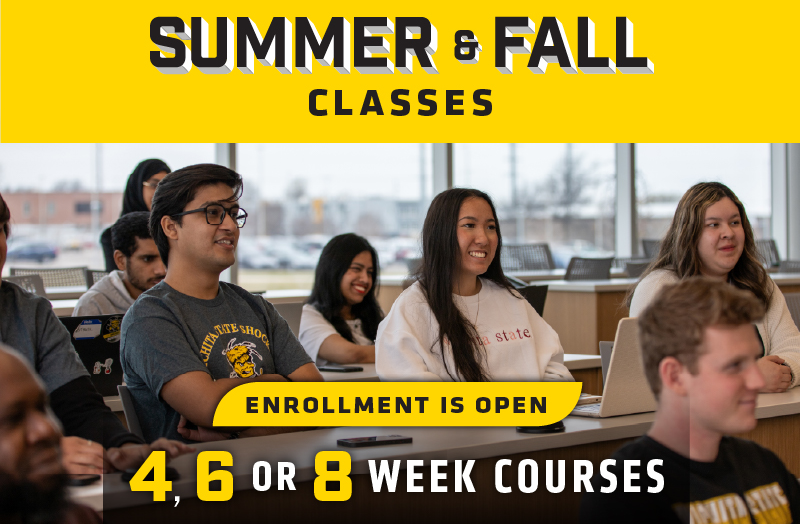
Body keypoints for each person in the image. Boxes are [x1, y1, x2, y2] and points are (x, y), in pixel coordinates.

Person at [120, 164, 323, 443]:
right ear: (171, 227)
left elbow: (317, 401)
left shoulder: (256, 307)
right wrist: (278, 382)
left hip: (280, 465)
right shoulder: (151, 317)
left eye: (233, 213)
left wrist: (239, 429)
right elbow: (211, 408)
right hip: (197, 470)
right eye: (213, 213)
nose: (229, 225)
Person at [0, 193, 191, 479]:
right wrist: (34, 452)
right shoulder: (94, 302)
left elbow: (79, 406)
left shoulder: (31, 312)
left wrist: (123, 447)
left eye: (0, 230)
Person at [580, 278, 800, 523]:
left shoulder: (764, 465)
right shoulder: (625, 492)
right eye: (735, 365)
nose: (756, 381)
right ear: (675, 376)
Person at [375, 188, 572, 382]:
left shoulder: (511, 299)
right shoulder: (412, 309)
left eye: (491, 227)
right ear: (440, 233)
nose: (483, 238)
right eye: (469, 225)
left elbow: (556, 370)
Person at [629, 182, 800, 392]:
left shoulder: (758, 283)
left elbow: (794, 347)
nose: (728, 232)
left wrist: (784, 372)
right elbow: (657, 374)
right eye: (713, 225)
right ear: (690, 234)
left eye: (735, 222)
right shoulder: (658, 289)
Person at [0, 345, 192, 524]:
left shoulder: (78, 517)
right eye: (13, 418)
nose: (47, 429)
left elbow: (80, 406)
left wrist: (122, 447)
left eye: (43, 408)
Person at [299, 233, 382, 365]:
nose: (365, 279)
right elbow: (351, 354)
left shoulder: (373, 315)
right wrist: (400, 351)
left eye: (369, 272)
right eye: (356, 269)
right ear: (333, 270)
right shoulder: (307, 317)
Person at [73, 212, 165, 316]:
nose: (162, 270)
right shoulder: (94, 305)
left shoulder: (174, 295)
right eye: (147, 259)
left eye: (165, 258)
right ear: (120, 260)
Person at [100, 159, 170, 272]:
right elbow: (119, 278)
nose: (160, 192)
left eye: (165, 186)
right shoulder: (112, 236)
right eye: (153, 185)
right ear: (136, 188)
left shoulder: (172, 231)